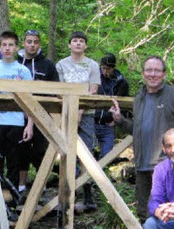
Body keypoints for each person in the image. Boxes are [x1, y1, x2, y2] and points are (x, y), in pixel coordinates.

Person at [110, 55, 174, 222]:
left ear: (164, 74)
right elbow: (138, 130)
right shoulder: (139, 98)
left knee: (169, 213)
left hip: (167, 167)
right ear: (143, 74)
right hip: (142, 165)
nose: (153, 74)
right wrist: (120, 120)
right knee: (145, 214)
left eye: (157, 70)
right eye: (149, 70)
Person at [0, 31, 33, 198]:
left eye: (11, 45)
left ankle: (12, 202)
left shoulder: (23, 70)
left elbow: (30, 101)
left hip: (16, 122)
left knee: (14, 164)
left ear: (16, 47)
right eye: (4, 45)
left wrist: (30, 125)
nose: (7, 48)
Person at [56, 31, 101, 211]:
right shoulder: (61, 64)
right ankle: (65, 195)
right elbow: (59, 90)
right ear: (69, 45)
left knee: (86, 154)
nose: (78, 43)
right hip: (66, 112)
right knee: (65, 151)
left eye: (81, 41)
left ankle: (88, 195)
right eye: (74, 41)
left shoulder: (92, 65)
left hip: (87, 113)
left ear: (85, 46)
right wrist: (72, 109)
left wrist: (80, 109)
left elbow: (93, 90)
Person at [17, 29, 59, 203]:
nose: (32, 45)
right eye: (29, 41)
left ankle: (40, 187)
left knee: (40, 152)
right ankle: (20, 188)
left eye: (35, 42)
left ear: (39, 44)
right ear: (24, 43)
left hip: (42, 114)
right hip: (18, 114)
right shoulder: (16, 62)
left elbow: (56, 89)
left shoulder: (48, 65)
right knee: (21, 151)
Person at [95, 53, 129, 157]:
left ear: (113, 68)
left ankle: (101, 173)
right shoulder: (94, 78)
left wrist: (115, 121)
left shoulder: (121, 82)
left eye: (108, 69)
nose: (105, 71)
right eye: (103, 68)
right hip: (92, 121)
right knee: (87, 152)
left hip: (108, 123)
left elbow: (124, 103)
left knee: (107, 155)